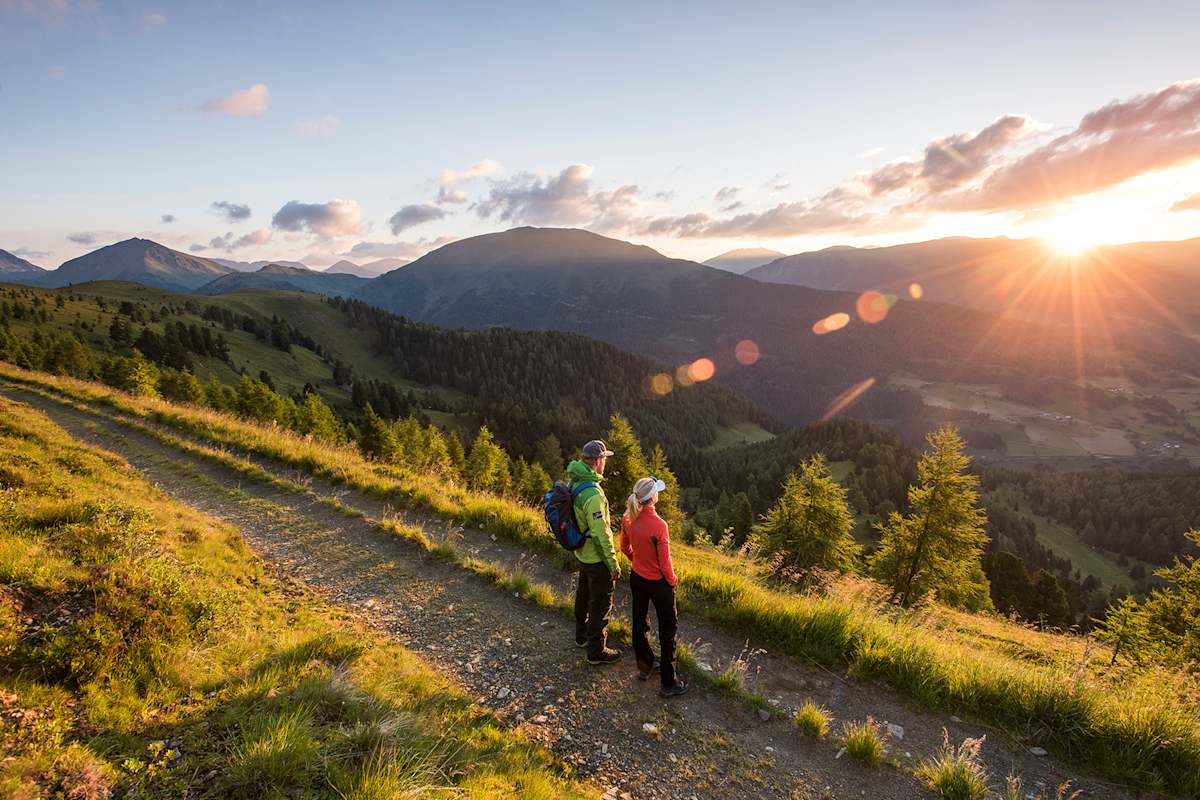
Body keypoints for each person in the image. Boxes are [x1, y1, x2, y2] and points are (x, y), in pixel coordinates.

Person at [620, 476, 688, 697]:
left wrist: (637, 561)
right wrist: (672, 580)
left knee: (639, 622)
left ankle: (645, 666)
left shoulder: (628, 518)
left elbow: (624, 547)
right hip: (659, 583)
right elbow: (665, 563)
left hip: (637, 578)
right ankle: (669, 683)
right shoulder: (659, 525)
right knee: (668, 630)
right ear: (653, 497)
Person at [568, 439, 622, 664]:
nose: (605, 463)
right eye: (604, 459)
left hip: (582, 551)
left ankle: (581, 636)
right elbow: (601, 533)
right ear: (598, 461)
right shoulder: (593, 494)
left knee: (583, 595)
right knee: (600, 603)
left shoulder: (574, 481)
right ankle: (596, 651)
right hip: (596, 557)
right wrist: (612, 563)